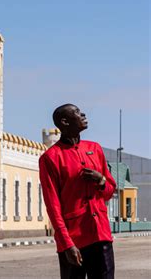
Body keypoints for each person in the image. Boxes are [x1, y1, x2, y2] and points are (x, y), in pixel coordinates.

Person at [39, 104, 117, 279]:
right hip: (74, 239)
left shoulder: (95, 149)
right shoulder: (50, 158)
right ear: (64, 122)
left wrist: (101, 180)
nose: (82, 114)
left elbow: (109, 192)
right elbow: (53, 206)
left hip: (101, 234)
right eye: (76, 112)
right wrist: (67, 244)